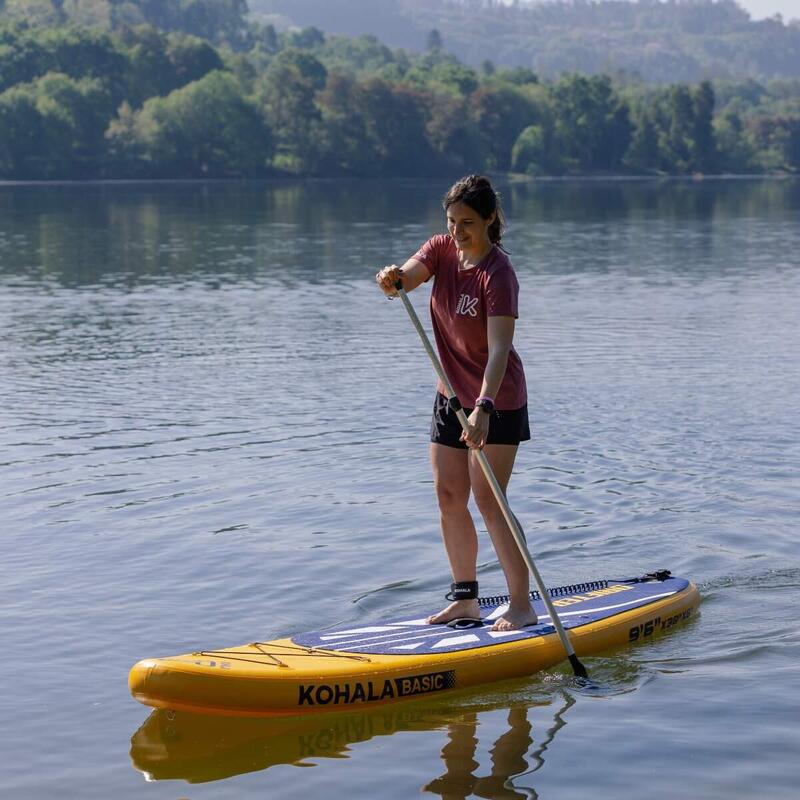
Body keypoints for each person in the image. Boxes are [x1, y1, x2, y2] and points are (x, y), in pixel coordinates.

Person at [376, 175, 537, 632]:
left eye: (466, 222)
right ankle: (466, 600)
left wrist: (484, 407)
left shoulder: (498, 274)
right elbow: (405, 280)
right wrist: (392, 280)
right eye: (450, 221)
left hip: (496, 400)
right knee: (449, 496)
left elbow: (501, 349)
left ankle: (522, 604)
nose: (456, 231)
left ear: (490, 220)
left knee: (490, 501)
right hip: (449, 396)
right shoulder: (441, 250)